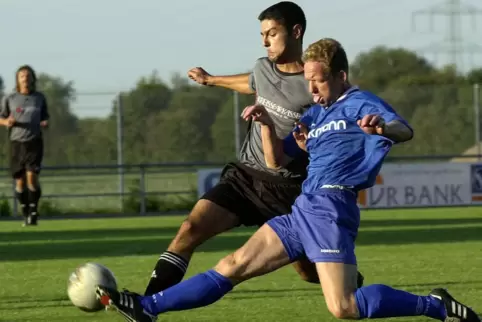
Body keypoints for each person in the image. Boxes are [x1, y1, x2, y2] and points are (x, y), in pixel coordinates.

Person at [96, 38, 480, 322]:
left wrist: (381, 126)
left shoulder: (362, 102)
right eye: (309, 80)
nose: (311, 88)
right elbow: (277, 159)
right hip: (303, 208)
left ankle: (436, 305)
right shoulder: (315, 115)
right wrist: (264, 124)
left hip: (332, 206)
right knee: (233, 264)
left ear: (341, 76)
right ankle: (147, 307)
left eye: (319, 80)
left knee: (343, 307)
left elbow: (404, 130)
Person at [143, 1, 363, 296]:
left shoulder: (314, 85)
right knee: (190, 229)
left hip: (288, 191)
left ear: (296, 32)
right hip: (244, 179)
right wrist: (211, 80)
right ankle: (147, 305)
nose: (264, 41)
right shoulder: (262, 67)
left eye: (272, 33)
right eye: (262, 34)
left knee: (309, 271)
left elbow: (342, 121)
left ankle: (351, 283)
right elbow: (249, 82)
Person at [0, 65, 49, 227]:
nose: (25, 78)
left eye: (28, 76)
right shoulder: (10, 98)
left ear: (33, 78)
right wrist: (7, 122)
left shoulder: (39, 98)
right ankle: (25, 210)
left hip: (34, 141)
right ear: (18, 79)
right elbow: (1, 118)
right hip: (16, 143)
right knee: (20, 182)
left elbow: (45, 117)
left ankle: (34, 212)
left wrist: (45, 123)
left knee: (32, 178)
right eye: (22, 76)